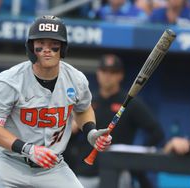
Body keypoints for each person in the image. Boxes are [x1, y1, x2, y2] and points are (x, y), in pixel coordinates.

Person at [0, 15, 112, 188]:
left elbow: (83, 109)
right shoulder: (9, 81)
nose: (47, 49)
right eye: (41, 43)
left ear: (63, 48)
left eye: (53, 44)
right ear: (31, 48)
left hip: (52, 167)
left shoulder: (76, 79)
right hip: (10, 163)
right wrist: (28, 149)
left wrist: (91, 132)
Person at [67, 54, 164, 188]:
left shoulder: (131, 103)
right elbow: (67, 138)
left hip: (118, 171)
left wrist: (134, 160)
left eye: (113, 72)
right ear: (98, 73)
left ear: (120, 75)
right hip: (86, 172)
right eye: (104, 71)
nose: (108, 76)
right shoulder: (88, 101)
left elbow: (156, 132)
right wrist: (72, 129)